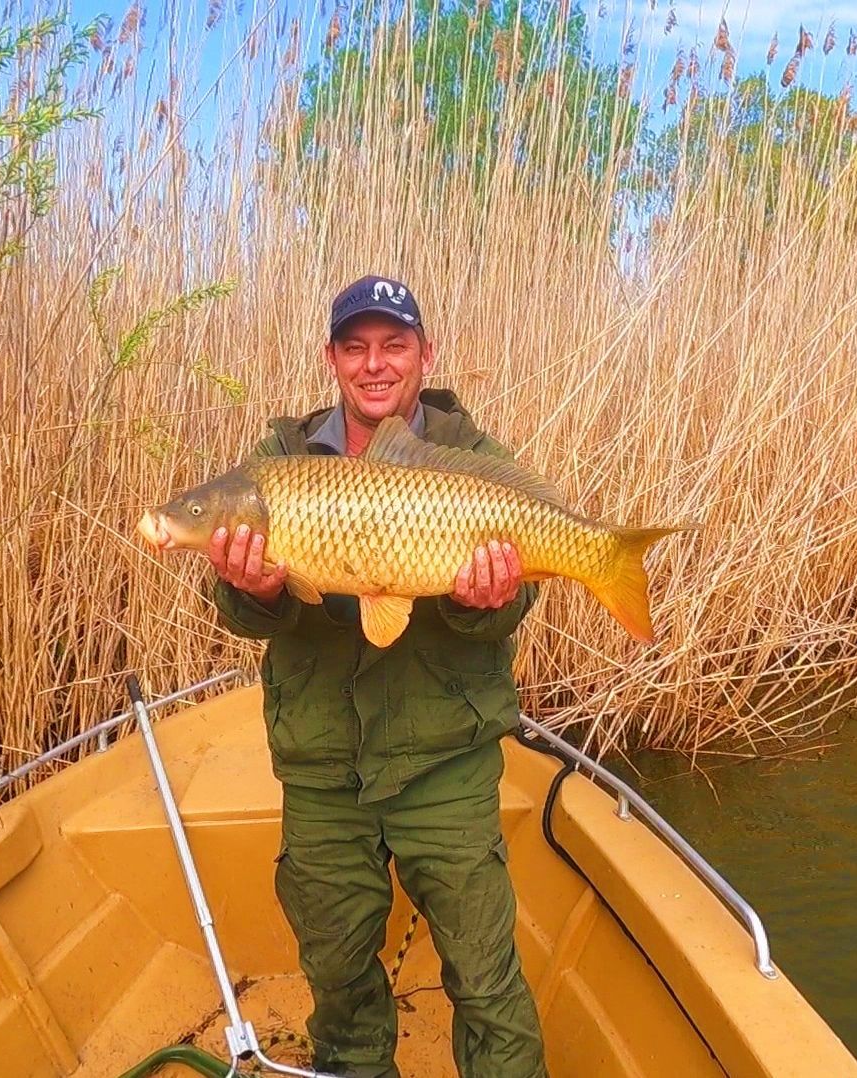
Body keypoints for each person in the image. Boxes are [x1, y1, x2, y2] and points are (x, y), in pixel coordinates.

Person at [202, 275, 548, 1077]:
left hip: (445, 762)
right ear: (332, 359)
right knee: (339, 980)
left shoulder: (474, 461)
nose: (375, 365)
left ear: (425, 355)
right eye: (355, 348)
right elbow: (245, 613)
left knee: (488, 984)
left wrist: (484, 600)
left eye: (394, 345)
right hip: (323, 768)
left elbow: (509, 607)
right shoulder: (280, 464)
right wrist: (250, 587)